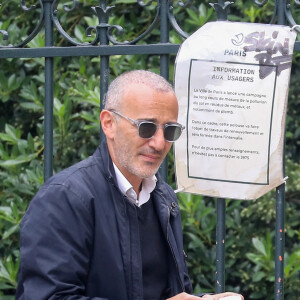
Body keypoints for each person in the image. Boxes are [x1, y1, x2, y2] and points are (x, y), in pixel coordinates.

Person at [16, 70, 244, 300]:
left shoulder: (163, 198)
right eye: (146, 127)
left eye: (170, 130)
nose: (159, 143)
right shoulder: (65, 198)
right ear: (109, 124)